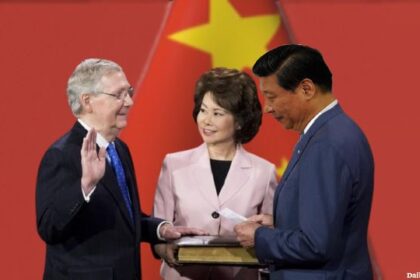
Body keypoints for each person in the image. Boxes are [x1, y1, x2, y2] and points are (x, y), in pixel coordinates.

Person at [35, 58, 204, 280]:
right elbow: (49, 228)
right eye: (119, 95)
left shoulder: (119, 149)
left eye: (129, 92)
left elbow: (123, 220)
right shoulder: (61, 155)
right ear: (87, 101)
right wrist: (85, 187)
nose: (130, 101)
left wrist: (160, 229)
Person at [234, 44, 375, 279]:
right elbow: (328, 222)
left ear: (306, 89)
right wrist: (280, 223)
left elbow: (315, 244)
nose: (267, 108)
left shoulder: (326, 144)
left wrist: (259, 237)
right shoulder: (333, 131)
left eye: (271, 97)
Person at [153, 67, 278, 279]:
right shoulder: (174, 165)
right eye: (203, 110)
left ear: (239, 121)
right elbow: (157, 232)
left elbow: (271, 238)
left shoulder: (264, 172)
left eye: (217, 113)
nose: (206, 121)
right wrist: (165, 250)